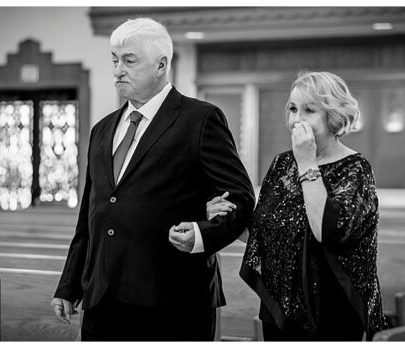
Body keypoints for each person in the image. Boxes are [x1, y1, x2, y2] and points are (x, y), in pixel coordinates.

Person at [52, 18, 256, 340]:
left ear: (162, 64)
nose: (118, 70)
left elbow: (241, 200)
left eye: (129, 61)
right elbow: (91, 213)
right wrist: (70, 284)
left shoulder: (200, 119)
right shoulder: (102, 130)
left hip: (171, 301)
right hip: (102, 300)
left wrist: (202, 236)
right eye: (115, 60)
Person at [208, 72, 388, 340]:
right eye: (292, 108)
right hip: (281, 305)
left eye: (309, 110)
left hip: (334, 310)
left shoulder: (356, 169)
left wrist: (306, 163)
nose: (296, 119)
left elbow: (327, 233)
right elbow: (266, 237)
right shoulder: (282, 164)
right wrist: (228, 218)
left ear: (334, 116)